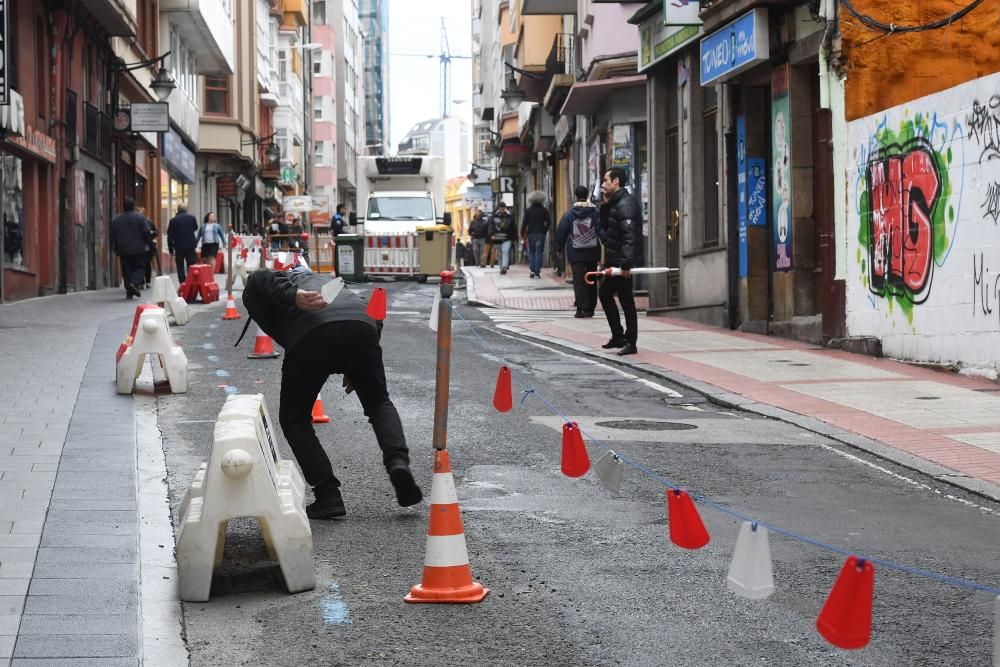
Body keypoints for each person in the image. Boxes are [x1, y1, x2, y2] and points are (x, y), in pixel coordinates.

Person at [240, 267, 423, 519]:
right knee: (379, 403)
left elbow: (257, 277)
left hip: (311, 334)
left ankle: (328, 495)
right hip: (362, 326)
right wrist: (357, 363)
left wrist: (293, 295)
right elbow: (371, 313)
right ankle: (398, 463)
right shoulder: (330, 281)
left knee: (294, 420)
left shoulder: (281, 284)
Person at [598, 168, 644, 356]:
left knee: (626, 301)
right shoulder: (615, 203)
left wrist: (626, 264)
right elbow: (605, 228)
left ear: (616, 181)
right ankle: (618, 335)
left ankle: (630, 341)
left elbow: (629, 236)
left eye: (606, 180)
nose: (602, 184)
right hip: (614, 261)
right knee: (605, 294)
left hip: (621, 262)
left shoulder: (625, 204)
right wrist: (604, 204)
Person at [556, 186, 603, 318]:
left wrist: (559, 248)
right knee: (591, 279)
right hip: (593, 252)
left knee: (579, 281)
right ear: (587, 195)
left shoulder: (569, 214)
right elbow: (601, 230)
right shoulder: (595, 212)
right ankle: (590, 309)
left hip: (576, 253)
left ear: (576, 196)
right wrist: (608, 243)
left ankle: (581, 308)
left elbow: (561, 232)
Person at [110, 196, 153, 299]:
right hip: (138, 249)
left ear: (123, 206)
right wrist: (150, 245)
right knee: (140, 268)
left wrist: (114, 247)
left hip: (123, 249)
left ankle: (129, 292)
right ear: (133, 206)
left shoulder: (116, 219)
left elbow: (113, 235)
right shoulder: (140, 217)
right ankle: (134, 284)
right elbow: (146, 232)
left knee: (127, 271)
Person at [167, 205, 199, 283]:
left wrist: (171, 249)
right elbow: (195, 228)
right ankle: (191, 281)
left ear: (178, 210)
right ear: (186, 209)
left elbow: (169, 236)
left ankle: (182, 283)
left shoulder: (173, 220)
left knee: (180, 266)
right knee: (191, 264)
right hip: (190, 246)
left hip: (178, 246)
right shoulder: (192, 218)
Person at [521, 191, 550, 279]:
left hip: (531, 234)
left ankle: (532, 270)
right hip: (541, 233)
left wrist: (523, 233)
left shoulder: (528, 211)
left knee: (531, 252)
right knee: (539, 252)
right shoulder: (544, 210)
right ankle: (537, 271)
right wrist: (544, 231)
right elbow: (548, 222)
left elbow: (524, 223)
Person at [490, 201, 516, 275]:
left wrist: (514, 237)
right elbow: (491, 225)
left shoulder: (509, 216)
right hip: (497, 237)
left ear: (505, 208)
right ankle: (501, 268)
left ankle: (504, 267)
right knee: (500, 254)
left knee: (505, 251)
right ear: (498, 208)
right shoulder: (494, 216)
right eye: (500, 207)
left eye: (503, 207)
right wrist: (491, 234)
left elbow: (513, 227)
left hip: (507, 237)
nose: (501, 209)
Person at [137, 207, 159, 288]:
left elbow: (156, 232)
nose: (141, 215)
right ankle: (142, 282)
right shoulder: (136, 223)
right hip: (139, 246)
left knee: (147, 264)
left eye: (142, 213)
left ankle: (148, 281)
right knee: (141, 264)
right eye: (139, 213)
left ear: (144, 214)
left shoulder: (149, 222)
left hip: (148, 247)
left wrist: (152, 232)